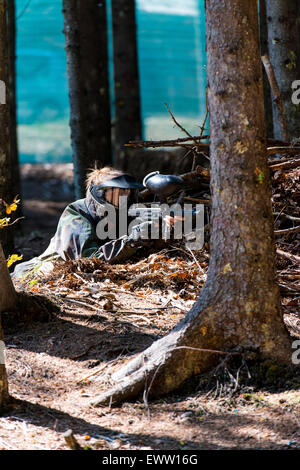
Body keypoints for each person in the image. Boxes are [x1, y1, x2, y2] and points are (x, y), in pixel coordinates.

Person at [12, 167, 164, 280]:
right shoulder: (76, 214)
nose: (123, 196)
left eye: (126, 191)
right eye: (116, 192)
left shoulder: (124, 212)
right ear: (100, 193)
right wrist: (132, 241)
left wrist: (160, 229)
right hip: (35, 274)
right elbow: (88, 260)